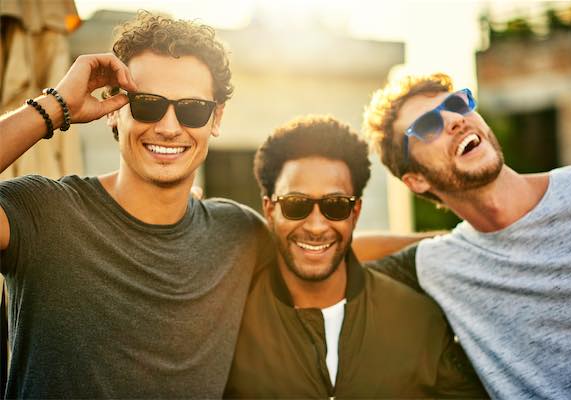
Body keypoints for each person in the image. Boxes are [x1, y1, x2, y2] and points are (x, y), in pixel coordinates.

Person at [0, 12, 274, 398]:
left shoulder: (240, 236)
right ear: (113, 110)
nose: (168, 127)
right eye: (147, 104)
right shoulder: (43, 213)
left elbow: (327, 264)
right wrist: (54, 106)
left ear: (216, 119)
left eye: (193, 108)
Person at [362, 73, 571, 399]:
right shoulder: (441, 264)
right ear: (416, 180)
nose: (454, 120)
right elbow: (331, 249)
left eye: (457, 104)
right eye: (428, 126)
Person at [224, 115, 488, 398]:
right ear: (269, 210)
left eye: (335, 205)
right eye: (295, 204)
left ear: (356, 212)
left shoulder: (420, 320)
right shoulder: (228, 325)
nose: (315, 226)